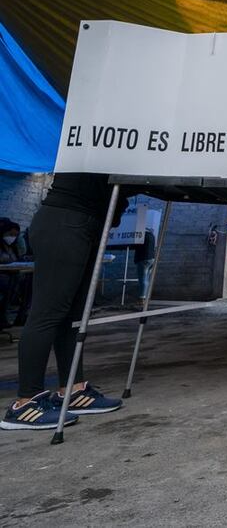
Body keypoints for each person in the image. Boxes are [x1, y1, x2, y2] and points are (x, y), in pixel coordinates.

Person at [2, 173, 127, 431]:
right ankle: (24, 403)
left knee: (74, 315)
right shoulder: (91, 137)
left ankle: (73, 390)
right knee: (48, 312)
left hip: (88, 223)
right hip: (66, 220)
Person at [133, 226, 156, 301]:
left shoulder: (142, 235)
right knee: (146, 279)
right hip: (151, 259)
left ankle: (142, 298)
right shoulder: (152, 235)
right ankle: (146, 296)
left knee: (142, 279)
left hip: (143, 259)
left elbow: (136, 246)